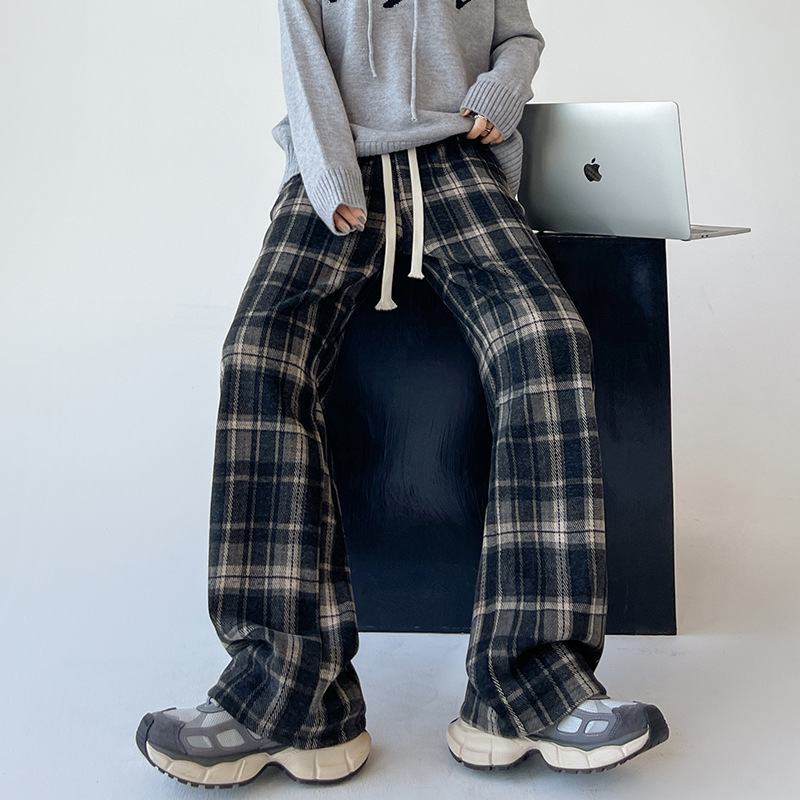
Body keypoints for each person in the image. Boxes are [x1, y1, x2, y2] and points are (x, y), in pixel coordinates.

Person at [135, 0, 668, 788]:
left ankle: (528, 689)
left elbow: (519, 35)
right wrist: (326, 172)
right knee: (258, 355)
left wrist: (500, 92)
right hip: (339, 161)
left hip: (458, 164)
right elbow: (303, 51)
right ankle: (286, 697)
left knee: (548, 340)